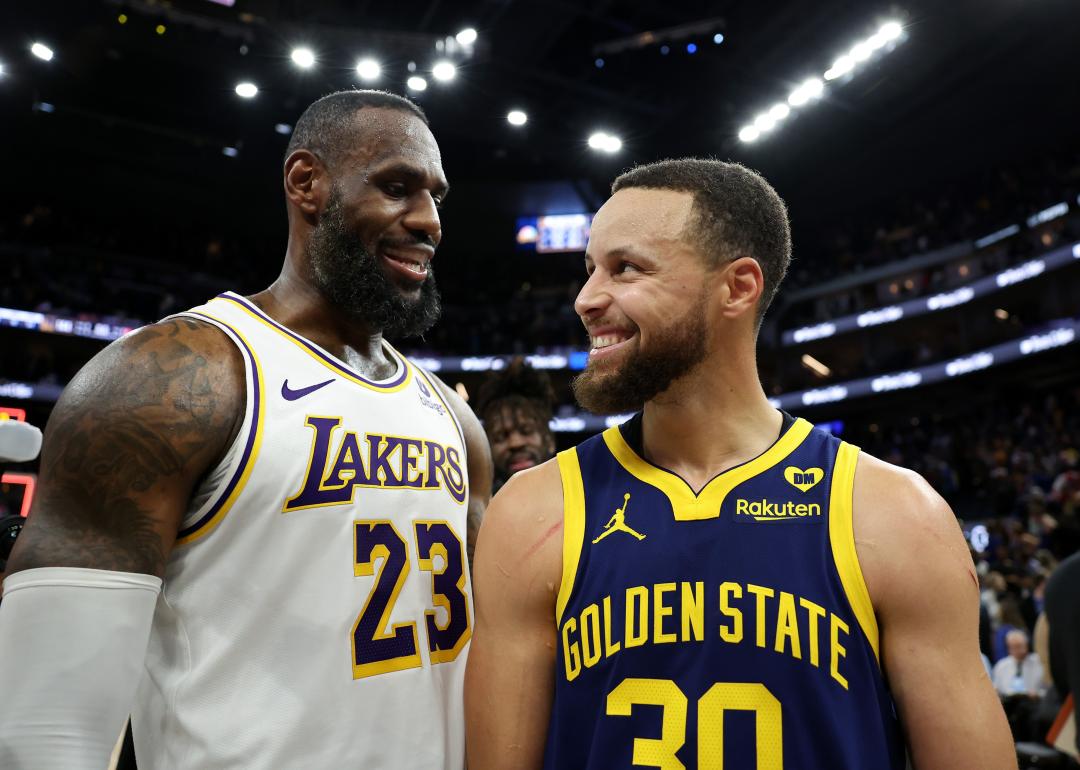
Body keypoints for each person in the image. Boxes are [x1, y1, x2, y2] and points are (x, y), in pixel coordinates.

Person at [465, 158, 1016, 769]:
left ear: (738, 287)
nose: (586, 299)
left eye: (626, 269)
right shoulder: (533, 512)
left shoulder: (894, 514)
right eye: (589, 270)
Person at [0, 89, 492, 770]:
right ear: (306, 182)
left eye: (437, 197)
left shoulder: (455, 419)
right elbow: (49, 726)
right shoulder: (167, 380)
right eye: (398, 186)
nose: (429, 221)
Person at [474, 356, 557, 493]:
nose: (515, 443)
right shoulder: (481, 509)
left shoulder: (578, 496)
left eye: (526, 431)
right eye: (501, 437)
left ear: (549, 440)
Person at [992, 629, 1046, 697]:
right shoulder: (1001, 666)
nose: (1020, 650)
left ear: (1027, 645)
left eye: (1021, 646)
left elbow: (1047, 690)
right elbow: (996, 689)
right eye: (1015, 647)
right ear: (1009, 648)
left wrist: (1037, 694)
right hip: (1008, 704)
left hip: (1033, 703)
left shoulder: (1039, 662)